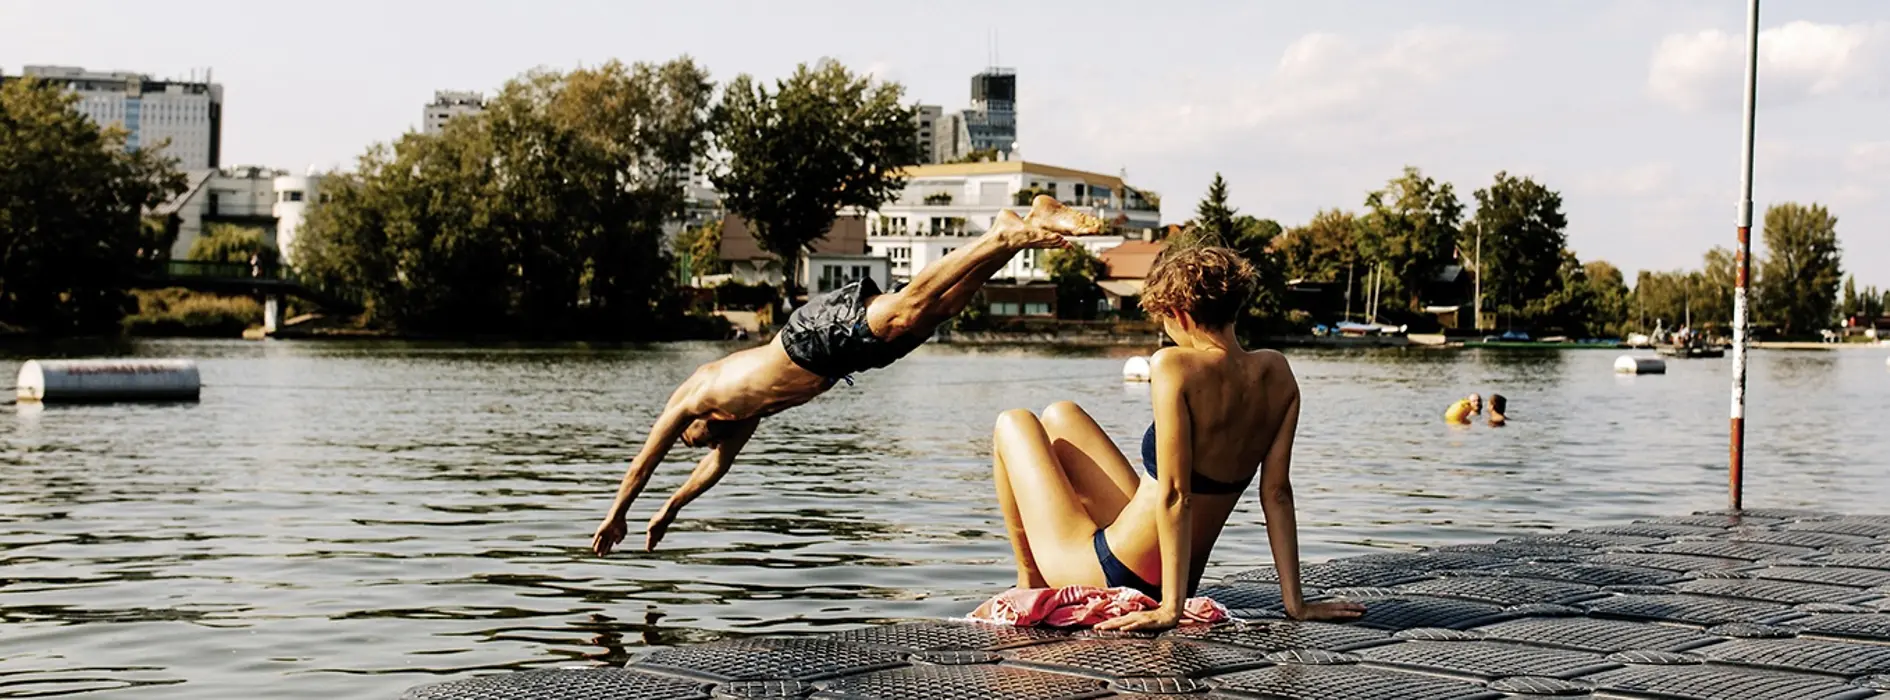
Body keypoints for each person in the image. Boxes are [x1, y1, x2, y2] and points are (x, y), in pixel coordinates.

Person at [591, 196, 1104, 556]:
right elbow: (715, 470)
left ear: (693, 424)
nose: (701, 445)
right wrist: (671, 510)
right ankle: (1014, 233)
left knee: (906, 308)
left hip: (808, 338)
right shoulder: (741, 416)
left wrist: (620, 512)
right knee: (939, 309)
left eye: (694, 441)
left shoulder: (698, 395)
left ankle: (1003, 231)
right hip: (838, 361)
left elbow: (642, 462)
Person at [987, 246, 1365, 631]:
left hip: (1111, 571)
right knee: (1061, 415)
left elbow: (1175, 495)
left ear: (1179, 314)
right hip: (1178, 575)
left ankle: (1031, 580)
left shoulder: (1174, 366)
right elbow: (1278, 494)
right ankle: (1115, 579)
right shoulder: (1277, 372)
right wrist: (1295, 604)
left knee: (1013, 422)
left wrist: (1170, 610)